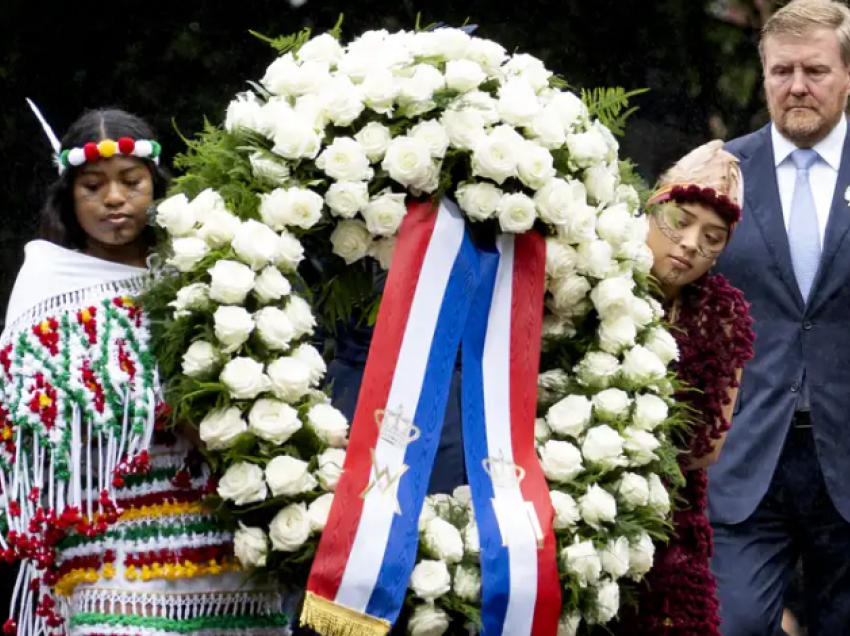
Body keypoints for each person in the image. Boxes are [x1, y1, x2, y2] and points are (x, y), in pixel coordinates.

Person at [0, 108, 288, 634]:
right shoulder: (47, 282)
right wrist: (155, 409)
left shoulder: (205, 270)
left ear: (155, 187)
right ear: (70, 196)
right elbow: (33, 423)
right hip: (108, 533)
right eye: (93, 186)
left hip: (222, 524)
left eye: (131, 182)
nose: (114, 199)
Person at [709, 0, 850, 632]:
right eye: (781, 71)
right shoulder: (715, 173)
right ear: (763, 74)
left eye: (815, 71)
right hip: (744, 459)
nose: (797, 86)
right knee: (730, 622)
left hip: (846, 458)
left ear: (847, 75)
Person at [609, 141, 754, 635]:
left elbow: (707, 447)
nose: (691, 244)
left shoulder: (723, 314)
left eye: (713, 237)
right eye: (681, 221)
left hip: (666, 513)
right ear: (652, 206)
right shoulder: (593, 276)